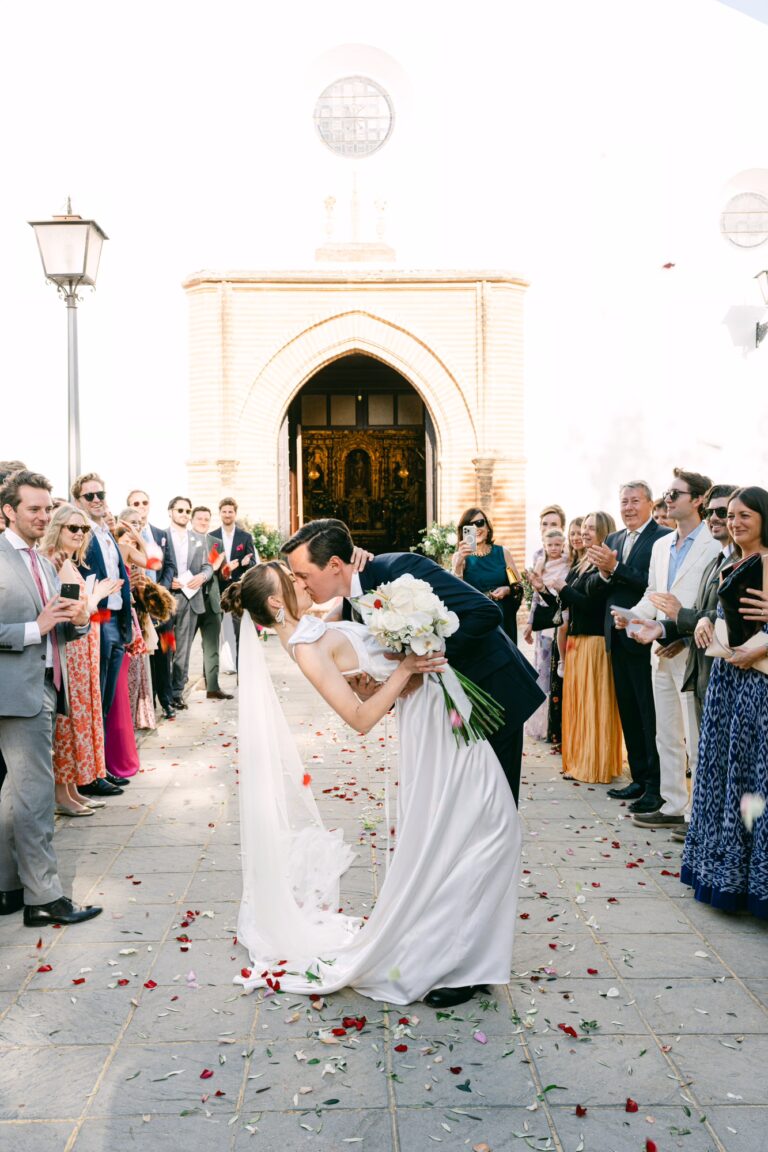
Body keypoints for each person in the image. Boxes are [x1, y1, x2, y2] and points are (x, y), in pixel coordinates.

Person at [224, 560, 522, 1007]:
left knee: (479, 833)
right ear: (274, 601)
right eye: (294, 580)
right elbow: (360, 719)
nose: (302, 582)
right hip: (434, 730)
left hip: (442, 713)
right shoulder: (305, 648)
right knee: (490, 831)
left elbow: (377, 685)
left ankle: (465, 956)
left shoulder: (317, 626)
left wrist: (400, 660)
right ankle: (456, 957)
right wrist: (406, 668)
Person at [282, 519, 544, 809]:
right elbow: (400, 664)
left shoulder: (398, 570)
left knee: (497, 809)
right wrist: (378, 690)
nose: (301, 584)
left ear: (333, 564)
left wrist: (423, 659)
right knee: (464, 812)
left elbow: (485, 612)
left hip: (492, 694)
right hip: (446, 714)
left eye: (303, 575)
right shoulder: (351, 606)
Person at [0, 470, 101, 926]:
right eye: (34, 509)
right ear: (8, 511)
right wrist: (33, 629)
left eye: (47, 508)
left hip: (44, 685)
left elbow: (58, 624)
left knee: (13, 794)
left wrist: (78, 618)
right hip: (15, 691)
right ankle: (45, 898)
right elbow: (34, 626)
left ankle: (8, 888)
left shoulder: (41, 562)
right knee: (36, 797)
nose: (44, 516)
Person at [680, 486, 768, 917]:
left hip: (758, 685)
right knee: (723, 773)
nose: (734, 522)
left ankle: (753, 881)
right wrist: (705, 621)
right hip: (727, 678)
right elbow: (725, 612)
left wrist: (764, 644)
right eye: (731, 515)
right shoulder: (731, 562)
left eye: (744, 515)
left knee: (753, 780)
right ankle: (722, 873)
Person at [615, 469, 720, 830]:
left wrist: (678, 631)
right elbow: (653, 594)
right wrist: (633, 617)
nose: (669, 500)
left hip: (693, 650)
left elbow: (711, 603)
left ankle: (697, 814)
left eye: (676, 494)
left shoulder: (714, 544)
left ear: (699, 499)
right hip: (659, 651)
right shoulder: (662, 546)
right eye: (667, 494)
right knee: (666, 731)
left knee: (694, 733)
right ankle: (673, 804)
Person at [585, 482, 671, 806]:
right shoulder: (614, 539)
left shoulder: (662, 537)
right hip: (616, 637)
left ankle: (656, 785)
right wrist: (605, 574)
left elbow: (651, 584)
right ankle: (638, 777)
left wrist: (616, 568)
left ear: (650, 503)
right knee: (629, 713)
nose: (629, 507)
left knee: (649, 715)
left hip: (646, 637)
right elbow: (596, 587)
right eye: (624, 501)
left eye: (636, 501)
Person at [40, 504, 118, 816]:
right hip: (69, 652)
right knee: (66, 724)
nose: (78, 533)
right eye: (72, 527)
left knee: (78, 721)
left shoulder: (71, 564)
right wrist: (96, 597)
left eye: (83, 529)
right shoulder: (53, 562)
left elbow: (79, 609)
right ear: (57, 528)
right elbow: (70, 610)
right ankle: (62, 794)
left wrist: (93, 599)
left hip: (83, 649)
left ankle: (72, 788)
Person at [536, 511, 623, 785]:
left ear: (604, 533)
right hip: (575, 641)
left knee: (591, 705)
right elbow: (566, 606)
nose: (584, 533)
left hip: (593, 642)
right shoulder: (581, 563)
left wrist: (562, 588)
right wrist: (544, 590)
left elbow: (591, 605)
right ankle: (578, 761)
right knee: (577, 706)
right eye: (583, 527)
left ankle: (593, 763)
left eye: (591, 529)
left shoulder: (603, 564)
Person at [71, 473, 133, 797]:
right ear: (79, 501)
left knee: (105, 701)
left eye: (100, 494)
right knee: (96, 699)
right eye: (89, 496)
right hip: (96, 619)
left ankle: (102, 766)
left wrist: (128, 621)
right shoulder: (82, 535)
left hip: (115, 619)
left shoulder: (107, 532)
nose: (97, 500)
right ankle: (92, 773)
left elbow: (122, 575)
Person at [126, 488, 177, 719]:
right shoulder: (125, 537)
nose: (140, 506)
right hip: (138, 606)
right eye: (135, 503)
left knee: (164, 653)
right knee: (142, 656)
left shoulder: (160, 534)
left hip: (160, 606)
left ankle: (166, 701)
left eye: (144, 502)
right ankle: (145, 707)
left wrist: (160, 591)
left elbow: (169, 566)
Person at [166, 496, 214, 708]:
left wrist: (202, 577)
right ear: (170, 512)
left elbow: (208, 567)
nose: (184, 514)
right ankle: (163, 691)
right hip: (167, 599)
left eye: (187, 511)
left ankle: (177, 692)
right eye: (180, 510)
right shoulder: (162, 536)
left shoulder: (199, 539)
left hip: (190, 598)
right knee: (164, 649)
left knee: (183, 650)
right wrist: (169, 582)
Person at [523, 528, 570, 741]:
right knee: (543, 673)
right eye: (550, 545)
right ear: (544, 545)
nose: (554, 549)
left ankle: (557, 724)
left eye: (557, 545)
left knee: (557, 675)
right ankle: (543, 724)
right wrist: (530, 623)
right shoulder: (541, 566)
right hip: (545, 622)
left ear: (563, 545)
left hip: (562, 619)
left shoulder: (568, 564)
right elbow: (535, 597)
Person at [451, 507, 524, 644]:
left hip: (503, 617)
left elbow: (517, 585)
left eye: (479, 523)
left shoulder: (503, 553)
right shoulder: (459, 557)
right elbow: (457, 591)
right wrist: (460, 562)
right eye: (470, 526)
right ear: (463, 532)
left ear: (488, 527)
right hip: (478, 620)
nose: (476, 528)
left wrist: (507, 590)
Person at [190, 505, 231, 700]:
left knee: (212, 646)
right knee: (183, 646)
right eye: (200, 519)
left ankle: (213, 687)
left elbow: (222, 576)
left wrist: (225, 569)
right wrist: (212, 568)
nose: (203, 522)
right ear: (192, 520)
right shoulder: (185, 541)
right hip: (190, 600)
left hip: (212, 601)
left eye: (207, 519)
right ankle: (176, 690)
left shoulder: (216, 543)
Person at [210, 497, 258, 659]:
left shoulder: (245, 537)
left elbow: (253, 563)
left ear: (235, 514)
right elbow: (208, 564)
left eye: (230, 511)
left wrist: (246, 562)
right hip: (217, 588)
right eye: (224, 511)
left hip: (237, 590)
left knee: (238, 631)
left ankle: (241, 669)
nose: (227, 514)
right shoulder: (211, 536)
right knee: (216, 632)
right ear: (220, 513)